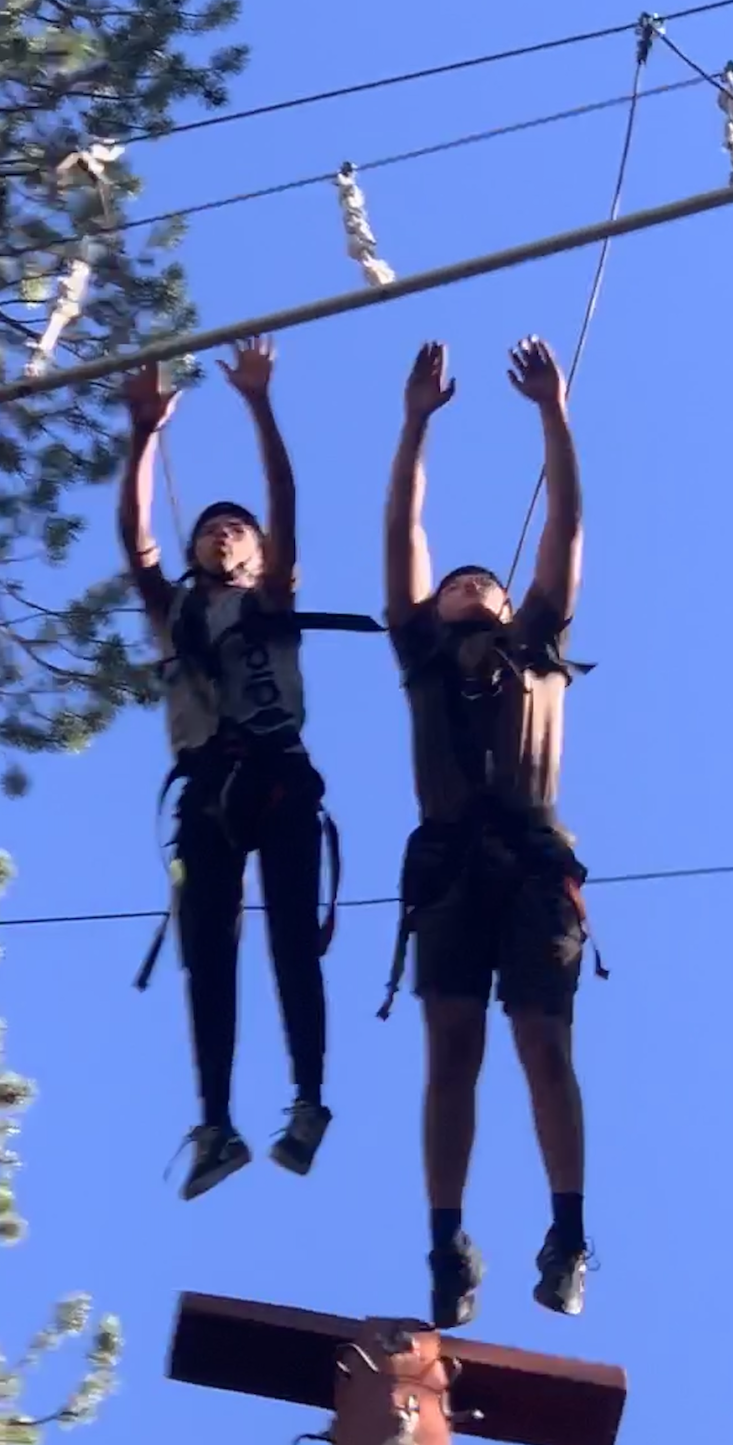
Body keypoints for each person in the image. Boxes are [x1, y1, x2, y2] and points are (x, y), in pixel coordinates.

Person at [384, 335, 600, 1330]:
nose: (469, 585)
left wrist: (554, 413)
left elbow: (566, 522)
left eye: (486, 583)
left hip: (533, 860)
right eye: (455, 582)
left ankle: (568, 1236)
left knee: (542, 1043)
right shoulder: (423, 653)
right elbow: (404, 530)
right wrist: (414, 426)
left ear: (511, 606)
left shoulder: (539, 642)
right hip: (447, 866)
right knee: (452, 1047)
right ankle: (445, 1242)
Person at [119, 337, 333, 1201]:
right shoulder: (174, 610)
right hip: (207, 786)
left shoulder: (271, 595)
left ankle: (309, 1099)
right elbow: (134, 541)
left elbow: (284, 498)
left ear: (260, 552)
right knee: (209, 950)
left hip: (279, 773)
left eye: (236, 529)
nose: (222, 533)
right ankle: (216, 1124)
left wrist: (260, 404)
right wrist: (144, 436)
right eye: (210, 528)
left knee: (291, 939)